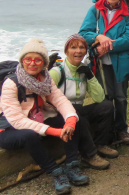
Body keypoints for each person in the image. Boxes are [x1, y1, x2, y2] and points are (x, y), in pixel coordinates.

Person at [0, 39, 88, 195]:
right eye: (28, 59)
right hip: (8, 130)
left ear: (44, 64)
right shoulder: (11, 84)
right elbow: (18, 121)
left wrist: (70, 121)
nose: (32, 63)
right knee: (29, 134)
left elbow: (60, 100)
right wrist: (55, 131)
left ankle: (72, 165)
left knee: (73, 118)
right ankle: (56, 173)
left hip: (36, 121)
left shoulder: (45, 80)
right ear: (22, 61)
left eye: (37, 60)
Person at [79, 0, 129, 145]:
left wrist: (107, 45)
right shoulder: (95, 10)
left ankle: (121, 130)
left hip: (121, 62)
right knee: (104, 97)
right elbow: (83, 32)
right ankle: (106, 131)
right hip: (99, 62)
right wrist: (99, 37)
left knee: (120, 97)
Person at [50, 34, 117, 170]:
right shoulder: (57, 72)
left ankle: (100, 144)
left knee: (107, 106)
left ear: (86, 51)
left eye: (82, 47)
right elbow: (47, 100)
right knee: (77, 113)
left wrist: (90, 75)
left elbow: (99, 98)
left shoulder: (83, 70)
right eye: (73, 47)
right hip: (59, 114)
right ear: (66, 51)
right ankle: (89, 155)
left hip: (77, 110)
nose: (78, 51)